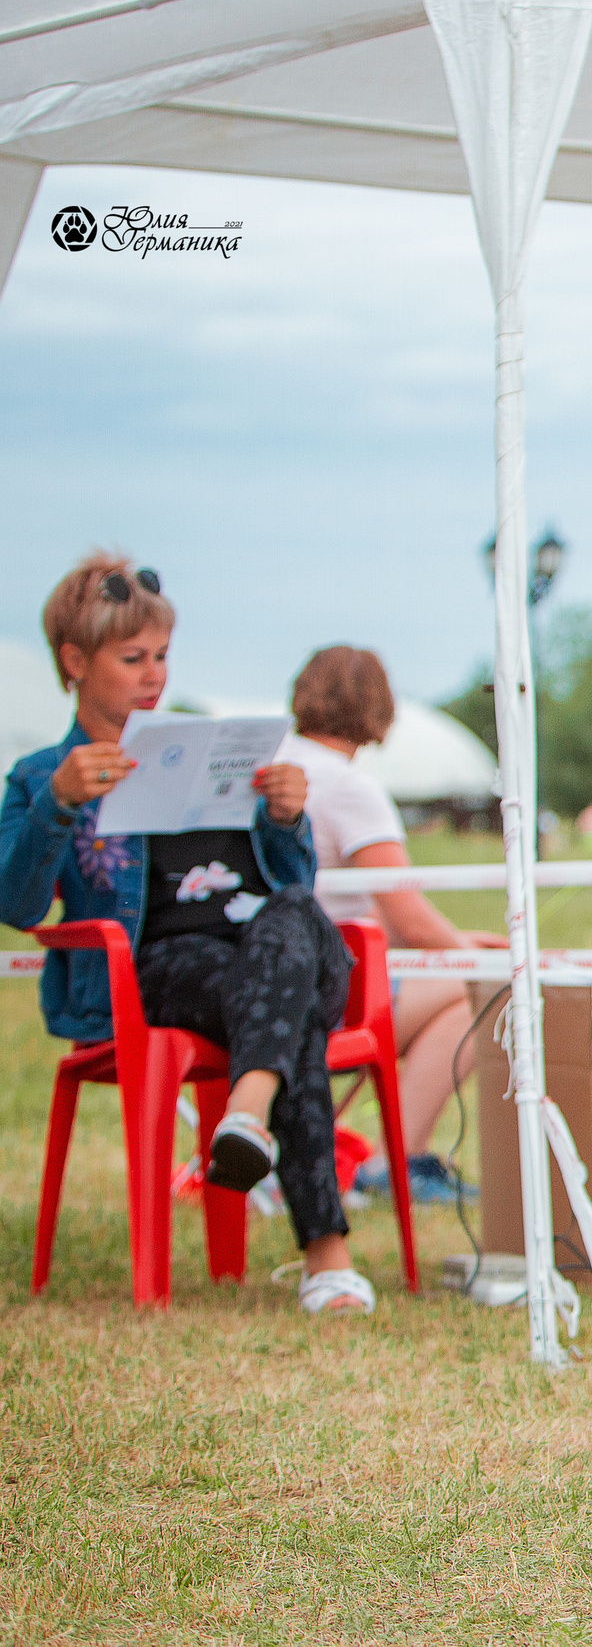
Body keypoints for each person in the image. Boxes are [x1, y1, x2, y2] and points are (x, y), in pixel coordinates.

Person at [0, 554, 374, 1314]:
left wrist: (284, 816)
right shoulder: (42, 776)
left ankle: (247, 1108)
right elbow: (17, 900)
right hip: (158, 972)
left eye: (162, 656)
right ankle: (325, 1257)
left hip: (265, 945)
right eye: (132, 658)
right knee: (288, 1004)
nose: (154, 676)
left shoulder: (206, 743)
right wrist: (59, 807)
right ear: (75, 662)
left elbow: (290, 881)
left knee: (295, 923)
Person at [276, 645, 506, 1204]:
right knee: (493, 985)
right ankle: (400, 1160)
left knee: (461, 990)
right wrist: (466, 952)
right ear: (379, 709)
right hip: (335, 987)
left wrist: (454, 942)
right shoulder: (348, 787)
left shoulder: (276, 766)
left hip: (277, 978)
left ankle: (391, 1155)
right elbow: (407, 915)